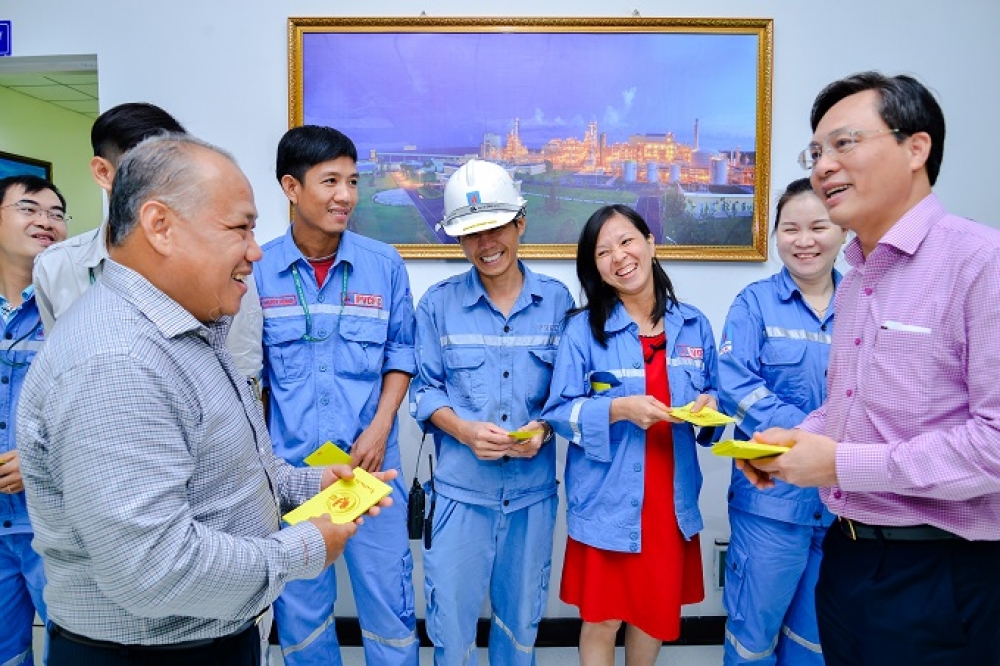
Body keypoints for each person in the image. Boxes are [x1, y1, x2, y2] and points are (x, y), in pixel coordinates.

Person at [17, 133, 393, 666]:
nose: (256, 252)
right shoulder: (118, 361)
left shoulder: (187, 331)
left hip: (209, 638)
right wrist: (308, 546)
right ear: (160, 226)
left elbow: (222, 469)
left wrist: (311, 483)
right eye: (240, 228)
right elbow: (154, 569)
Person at [744, 72, 1000, 665]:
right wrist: (801, 439)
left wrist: (837, 463)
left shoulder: (980, 263)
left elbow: (994, 445)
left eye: (845, 143)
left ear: (916, 148)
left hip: (941, 570)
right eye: (816, 151)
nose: (824, 166)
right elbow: (851, 406)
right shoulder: (858, 275)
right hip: (850, 558)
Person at [256, 125, 418, 665]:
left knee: (389, 604)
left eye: (351, 180)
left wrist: (379, 427)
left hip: (371, 469)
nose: (345, 195)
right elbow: (248, 378)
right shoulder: (258, 271)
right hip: (293, 474)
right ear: (291, 187)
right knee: (300, 611)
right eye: (329, 181)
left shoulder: (383, 264)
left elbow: (401, 354)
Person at [409, 160, 574, 665]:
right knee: (450, 635)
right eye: (471, 235)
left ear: (520, 222)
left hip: (532, 499)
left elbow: (569, 394)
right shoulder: (438, 305)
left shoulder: (558, 302)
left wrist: (545, 429)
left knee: (519, 630)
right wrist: (461, 429)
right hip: (460, 497)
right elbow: (423, 389)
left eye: (495, 228)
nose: (486, 245)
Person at [542, 204, 717, 666]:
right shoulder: (582, 332)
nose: (619, 256)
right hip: (608, 500)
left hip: (670, 503)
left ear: (651, 244)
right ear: (594, 268)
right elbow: (559, 413)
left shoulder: (695, 325)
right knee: (602, 620)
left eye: (626, 241)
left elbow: (716, 403)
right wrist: (617, 410)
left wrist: (710, 409)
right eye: (603, 251)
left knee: (652, 617)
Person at [32, 102, 263, 381]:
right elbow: (57, 368)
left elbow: (241, 370)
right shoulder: (57, 266)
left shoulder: (225, 266)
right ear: (104, 172)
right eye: (145, 166)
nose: (166, 182)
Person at [717, 177, 845, 665]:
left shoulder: (863, 302)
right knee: (753, 639)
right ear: (775, 237)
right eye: (790, 228)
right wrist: (816, 431)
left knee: (817, 641)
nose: (805, 240)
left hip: (842, 508)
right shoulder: (754, 303)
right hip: (770, 508)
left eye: (819, 226)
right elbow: (735, 385)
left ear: (843, 232)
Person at [0, 174, 68, 666]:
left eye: (57, 214)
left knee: (68, 649)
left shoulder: (74, 311)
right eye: (29, 209)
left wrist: (40, 459)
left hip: (51, 523)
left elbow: (102, 409)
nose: (46, 221)